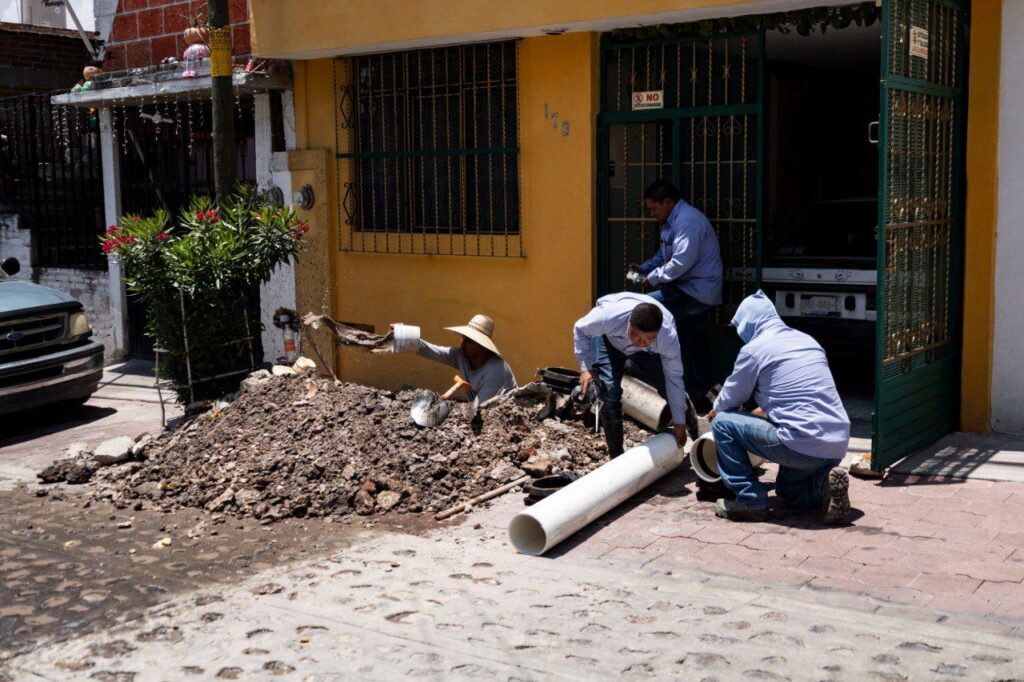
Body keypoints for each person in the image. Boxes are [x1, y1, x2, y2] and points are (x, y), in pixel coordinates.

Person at [706, 291, 851, 523]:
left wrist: (715, 411)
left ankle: (750, 500)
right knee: (788, 491)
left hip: (800, 444)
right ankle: (824, 486)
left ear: (749, 323)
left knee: (724, 423)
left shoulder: (754, 349)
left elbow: (732, 397)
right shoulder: (807, 340)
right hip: (836, 443)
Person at [633, 179, 723, 413]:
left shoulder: (687, 221)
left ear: (667, 201)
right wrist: (645, 267)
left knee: (645, 308)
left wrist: (652, 278)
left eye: (654, 208)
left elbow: (680, 262)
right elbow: (664, 256)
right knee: (695, 347)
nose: (652, 214)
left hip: (694, 291)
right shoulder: (671, 221)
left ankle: (637, 365)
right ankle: (701, 401)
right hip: (690, 290)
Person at [573, 292, 688, 457]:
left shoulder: (667, 337)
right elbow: (580, 329)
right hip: (609, 341)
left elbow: (674, 379)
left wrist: (679, 422)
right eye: (635, 334)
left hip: (647, 354)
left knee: (668, 388)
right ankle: (617, 456)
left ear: (658, 333)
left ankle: (690, 424)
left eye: (648, 338)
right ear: (629, 322)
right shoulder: (607, 317)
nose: (639, 342)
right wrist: (586, 368)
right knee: (609, 392)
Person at [406, 314, 517, 403]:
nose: (462, 344)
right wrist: (400, 336)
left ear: (482, 346)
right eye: (464, 339)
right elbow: (432, 350)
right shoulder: (462, 356)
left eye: (468, 341)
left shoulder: (494, 371)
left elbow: (483, 411)